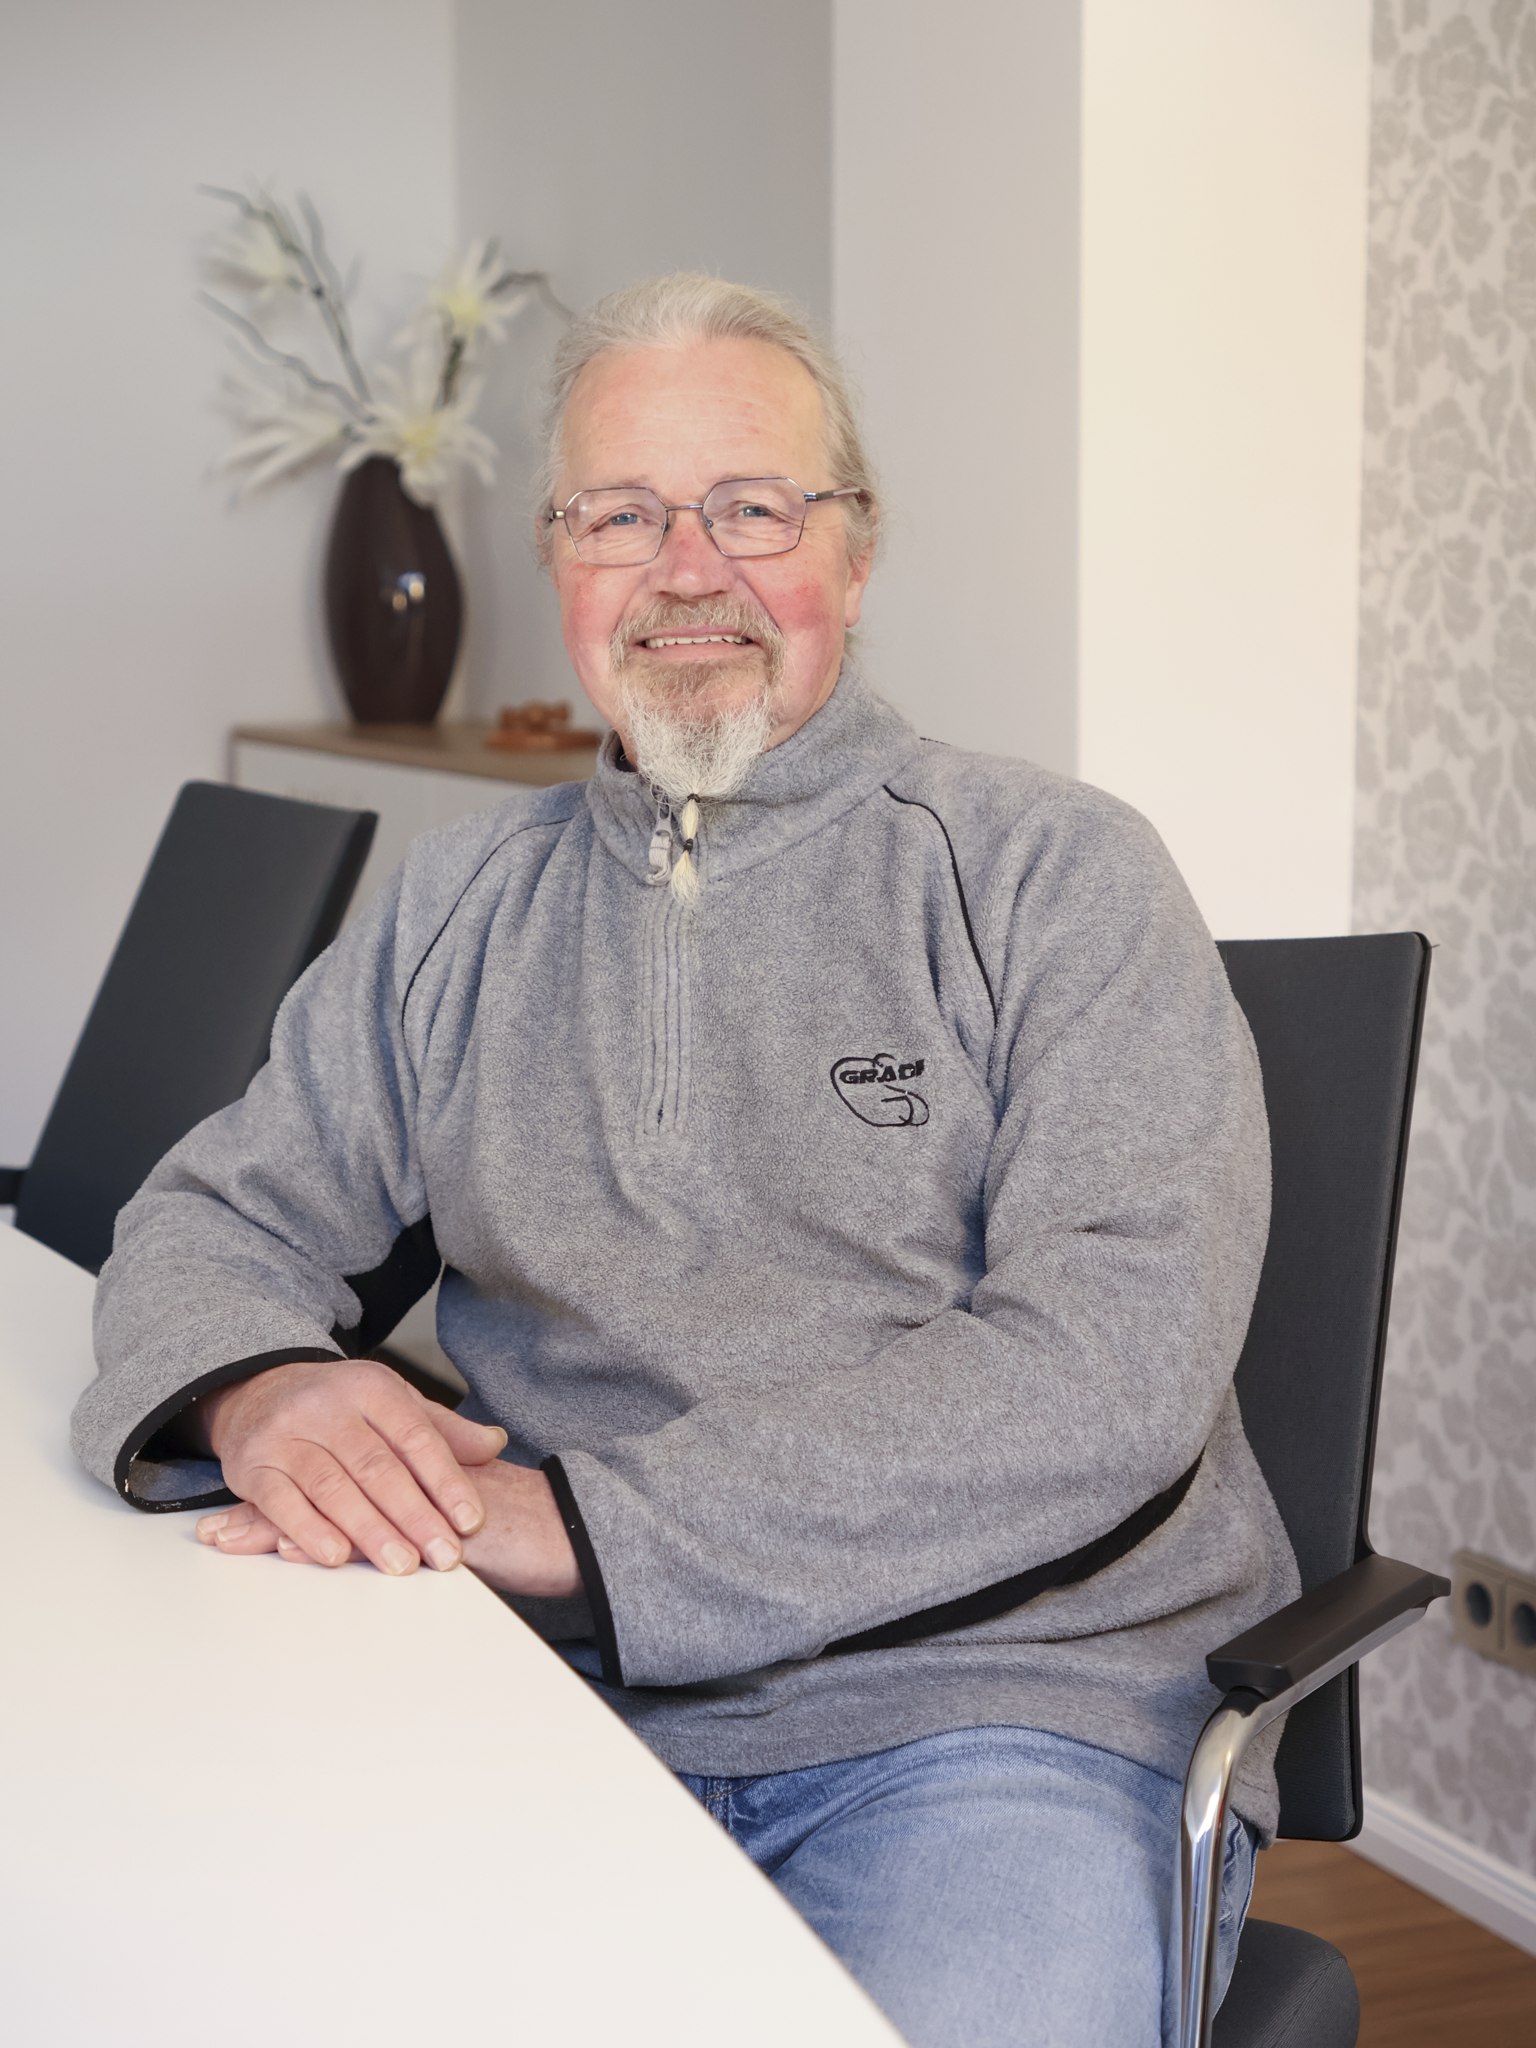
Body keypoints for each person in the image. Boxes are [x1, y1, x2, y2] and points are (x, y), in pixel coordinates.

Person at [73, 273, 1298, 2047]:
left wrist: (584, 1526)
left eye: (752, 509)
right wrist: (260, 1389)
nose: (687, 570)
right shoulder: (459, 904)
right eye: (622, 516)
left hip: (998, 1717)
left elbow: (1111, 1364)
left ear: (855, 556)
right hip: (541, 1695)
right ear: (560, 564)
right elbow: (210, 1213)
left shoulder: (1058, 874)